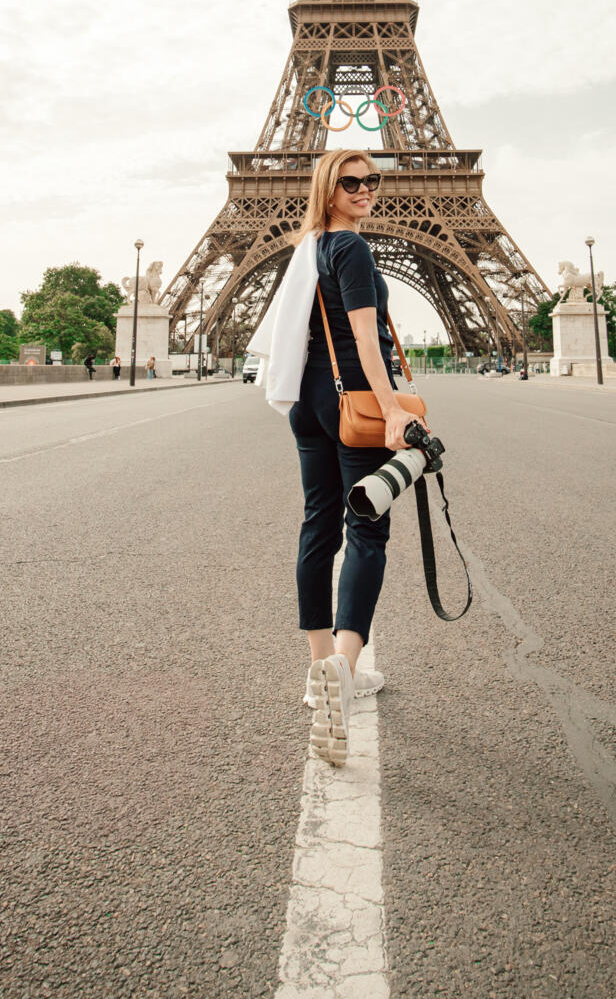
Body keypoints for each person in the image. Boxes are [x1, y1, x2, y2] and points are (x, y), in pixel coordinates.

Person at [283, 148, 416, 768]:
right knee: (367, 529)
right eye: (351, 181)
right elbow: (366, 336)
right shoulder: (353, 249)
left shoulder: (307, 247)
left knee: (317, 526)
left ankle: (319, 673)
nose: (366, 189)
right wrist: (392, 410)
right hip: (352, 401)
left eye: (373, 179)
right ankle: (345, 668)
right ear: (328, 187)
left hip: (308, 400)